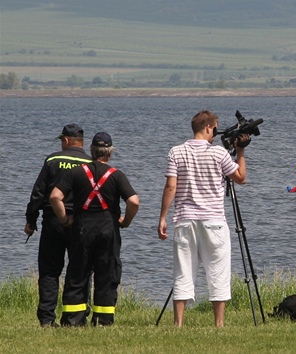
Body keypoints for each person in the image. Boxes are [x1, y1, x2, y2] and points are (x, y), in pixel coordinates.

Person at [158, 110, 250, 328]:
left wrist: (162, 217)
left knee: (183, 273)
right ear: (209, 127)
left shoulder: (176, 152)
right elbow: (241, 178)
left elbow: (170, 186)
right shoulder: (219, 154)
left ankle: (178, 324)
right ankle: (218, 324)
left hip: (184, 220)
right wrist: (240, 152)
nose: (216, 133)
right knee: (218, 272)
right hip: (214, 221)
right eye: (215, 128)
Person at [49, 132, 139, 326]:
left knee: (78, 273)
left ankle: (73, 319)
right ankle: (103, 320)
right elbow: (134, 202)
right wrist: (126, 221)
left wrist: (64, 219)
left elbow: (55, 197)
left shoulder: (75, 172)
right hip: (108, 229)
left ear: (91, 151)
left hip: (82, 228)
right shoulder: (116, 175)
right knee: (107, 274)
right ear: (110, 153)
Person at [24, 123, 92, 327]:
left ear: (65, 140)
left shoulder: (52, 160)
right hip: (80, 222)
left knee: (49, 270)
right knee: (79, 270)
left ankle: (46, 318)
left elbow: (38, 193)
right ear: (82, 142)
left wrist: (31, 220)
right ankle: (75, 317)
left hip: (52, 221)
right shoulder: (89, 162)